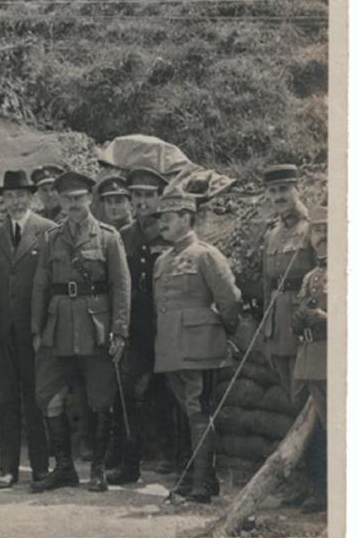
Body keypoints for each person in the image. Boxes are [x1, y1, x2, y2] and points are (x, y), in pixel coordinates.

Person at [30, 171, 131, 493]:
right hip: (57, 327)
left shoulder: (107, 237)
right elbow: (40, 285)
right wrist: (37, 329)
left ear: (89, 199)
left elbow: (121, 286)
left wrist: (119, 332)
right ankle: (63, 467)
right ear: (59, 201)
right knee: (48, 396)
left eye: (78, 197)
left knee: (101, 398)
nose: (73, 204)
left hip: (95, 327)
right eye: (67, 198)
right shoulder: (51, 238)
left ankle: (98, 469)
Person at [153, 191, 241, 503]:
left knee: (198, 412)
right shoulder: (163, 260)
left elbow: (229, 300)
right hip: (171, 350)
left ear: (188, 218)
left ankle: (201, 481)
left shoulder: (206, 255)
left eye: (169, 217)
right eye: (160, 218)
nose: (162, 223)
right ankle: (199, 476)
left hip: (201, 348)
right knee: (184, 413)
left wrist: (221, 333)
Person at [0, 170, 53, 489]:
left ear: (31, 197)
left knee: (36, 400)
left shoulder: (48, 231)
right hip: (3, 333)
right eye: (10, 196)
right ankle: (7, 467)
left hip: (35, 331)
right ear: (3, 201)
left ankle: (40, 466)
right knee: (5, 400)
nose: (15, 202)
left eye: (21, 195)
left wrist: (45, 329)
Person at [104, 167, 170, 485]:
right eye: (138, 196)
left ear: (160, 198)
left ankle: (176, 458)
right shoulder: (124, 236)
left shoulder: (169, 233)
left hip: (168, 325)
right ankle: (129, 466)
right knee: (127, 393)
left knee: (173, 392)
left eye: (148, 195)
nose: (142, 201)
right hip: (137, 328)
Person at [259, 164, 317, 396]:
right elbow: (267, 284)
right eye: (272, 192)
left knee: (305, 387)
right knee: (287, 388)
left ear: (298, 189)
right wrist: (265, 327)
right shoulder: (271, 234)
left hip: (301, 320)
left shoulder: (313, 228)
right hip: (276, 324)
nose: (278, 196)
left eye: (283, 189)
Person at [292, 205, 328, 513]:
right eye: (317, 230)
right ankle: (318, 488)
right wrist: (300, 318)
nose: (323, 236)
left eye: (329, 229)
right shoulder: (311, 277)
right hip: (312, 361)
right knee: (315, 430)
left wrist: (324, 318)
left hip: (335, 360)